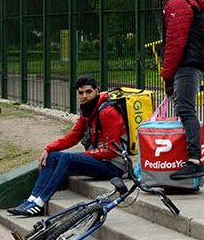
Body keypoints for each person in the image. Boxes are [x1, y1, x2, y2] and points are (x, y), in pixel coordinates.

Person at [7, 74, 127, 216]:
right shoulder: (88, 111)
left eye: (88, 92)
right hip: (99, 160)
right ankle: (31, 199)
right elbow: (73, 136)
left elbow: (111, 150)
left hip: (115, 166)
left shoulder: (108, 112)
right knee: (52, 156)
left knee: (67, 158)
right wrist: (49, 148)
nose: (84, 96)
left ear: (96, 91)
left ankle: (40, 203)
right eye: (81, 93)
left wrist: (81, 156)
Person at [152, 0, 204, 180]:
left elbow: (175, 43)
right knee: (184, 110)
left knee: (185, 110)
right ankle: (185, 158)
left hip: (187, 62)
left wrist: (166, 74)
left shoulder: (178, 3)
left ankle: (194, 160)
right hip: (192, 61)